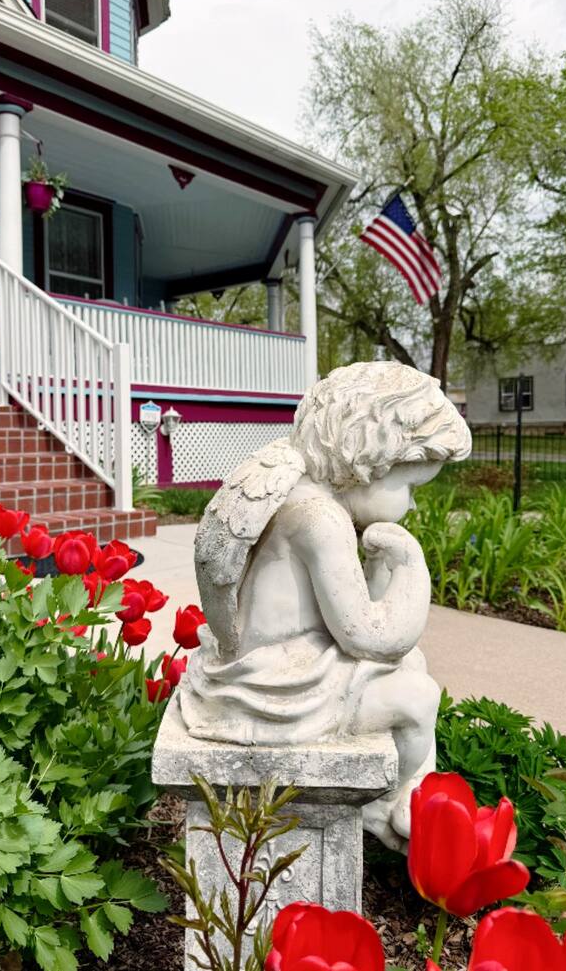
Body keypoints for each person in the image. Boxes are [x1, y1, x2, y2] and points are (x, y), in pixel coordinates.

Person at [180, 361, 472, 848]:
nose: (413, 506)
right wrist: (409, 564)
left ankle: (400, 799)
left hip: (281, 662)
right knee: (418, 698)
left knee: (412, 670)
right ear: (370, 464)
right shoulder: (322, 520)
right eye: (410, 488)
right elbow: (373, 637)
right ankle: (388, 804)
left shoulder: (295, 485)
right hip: (278, 689)